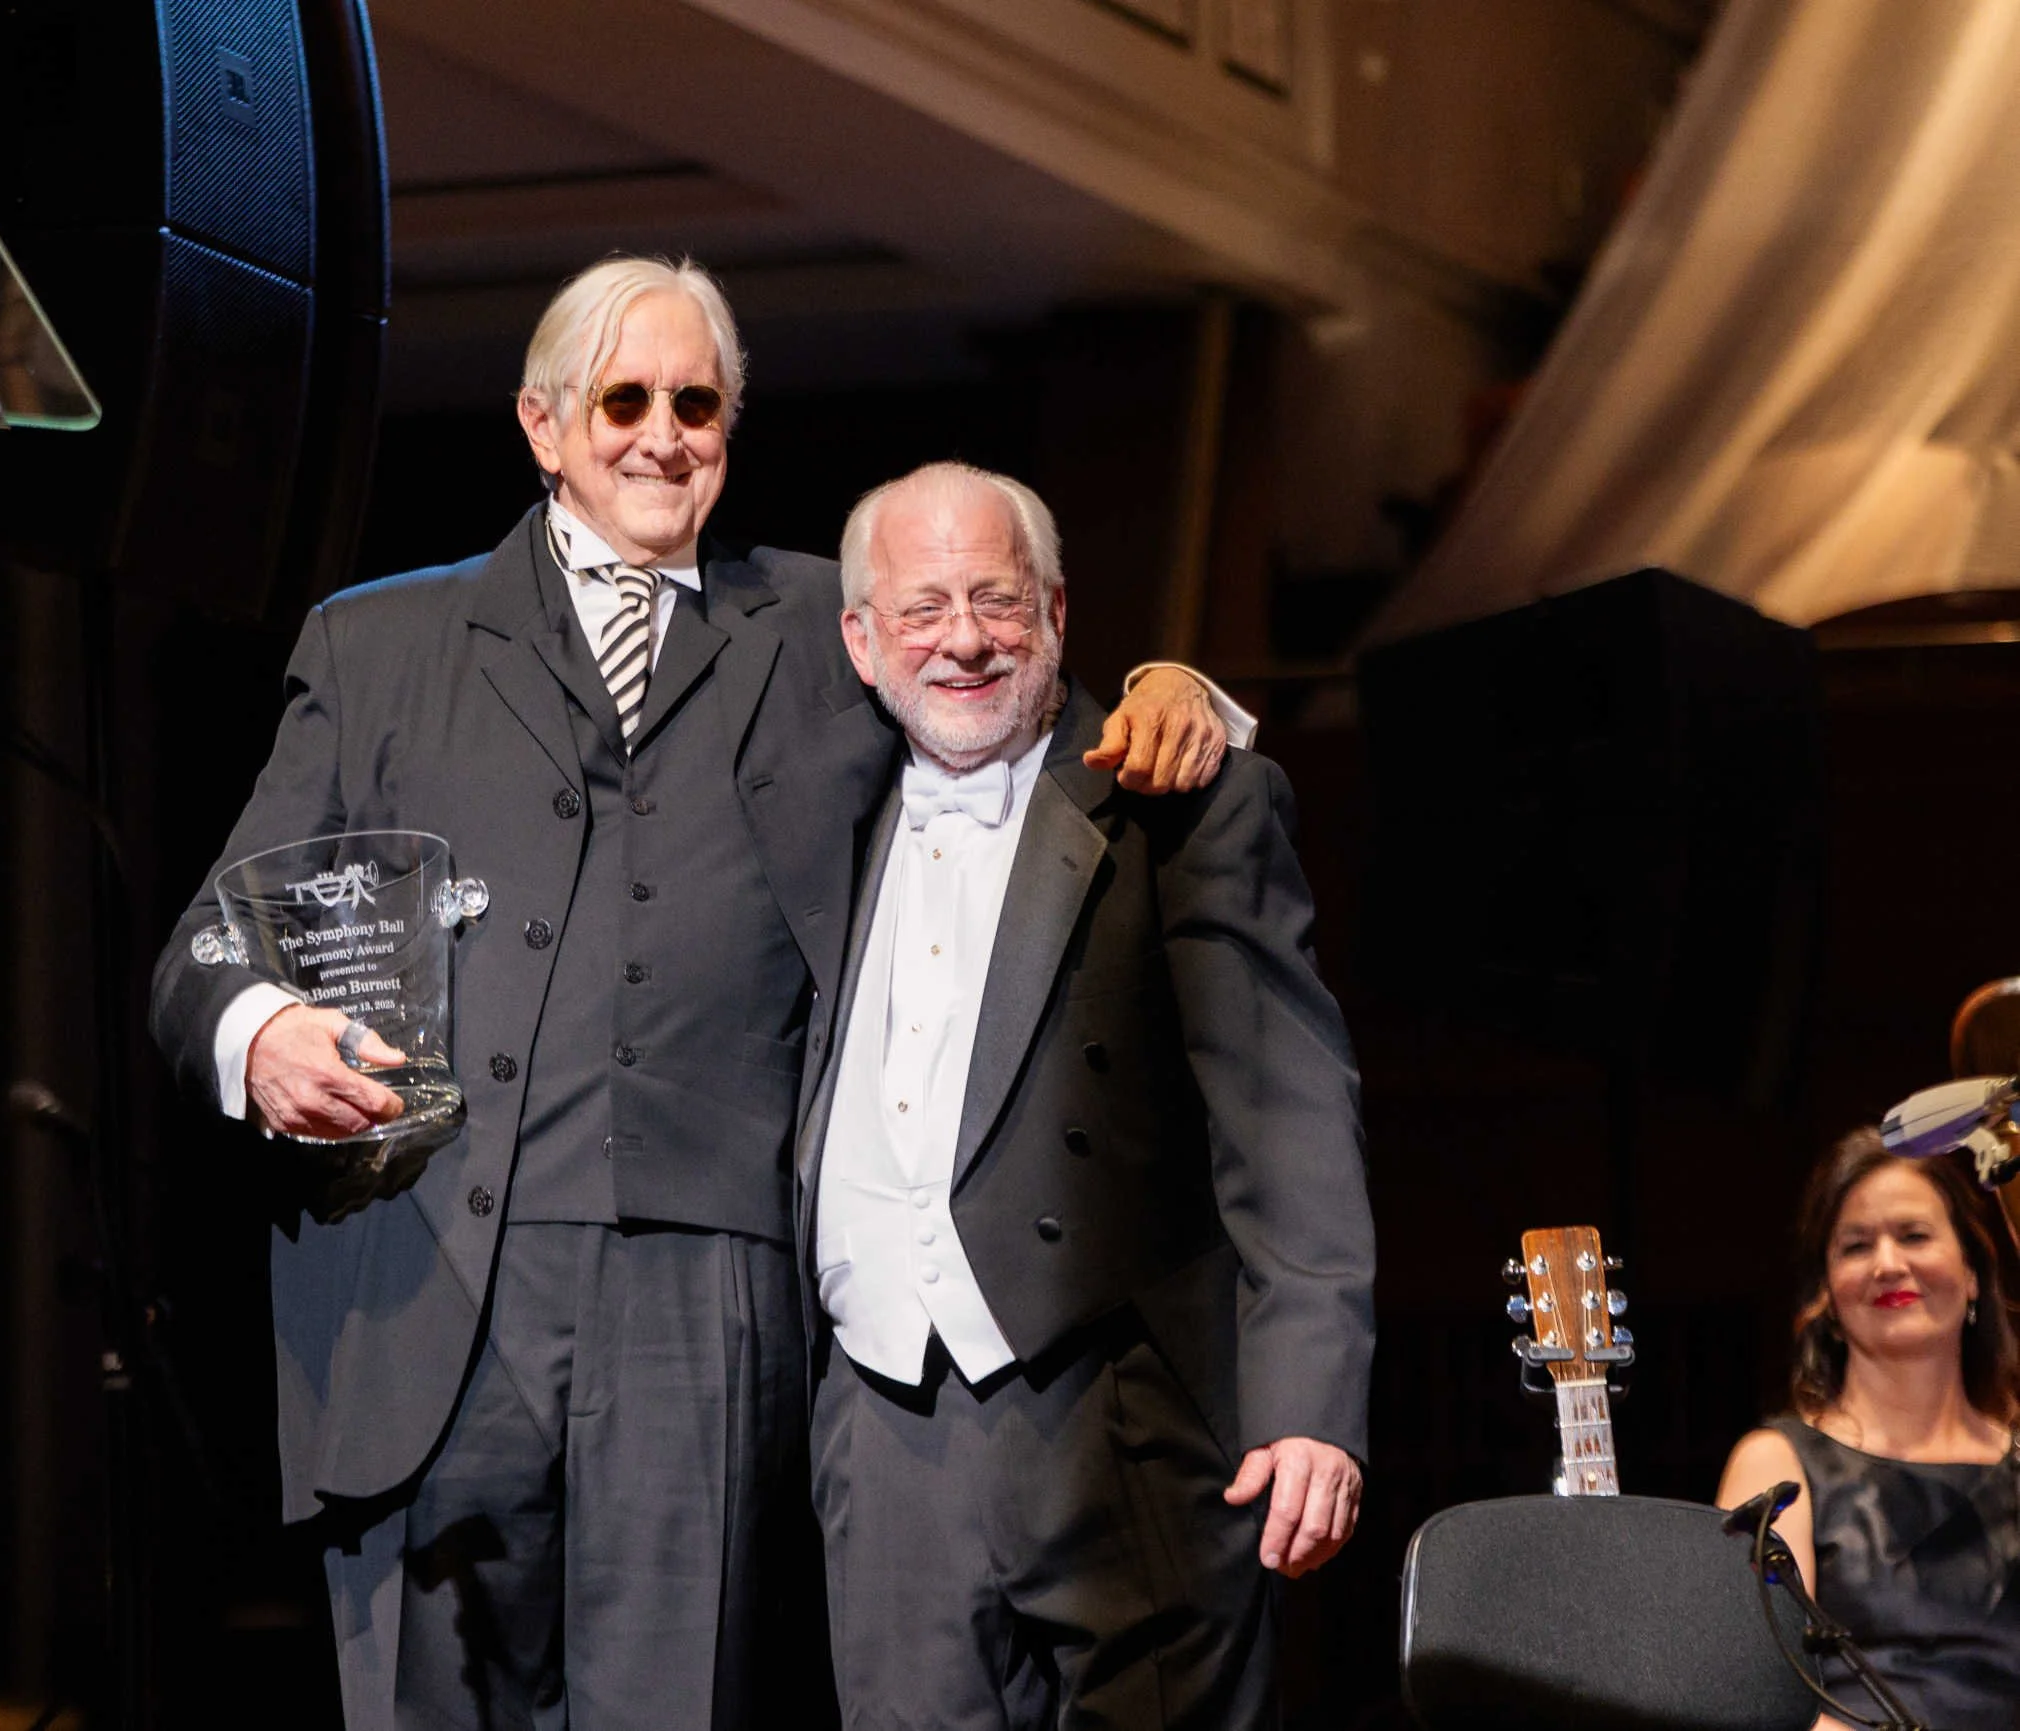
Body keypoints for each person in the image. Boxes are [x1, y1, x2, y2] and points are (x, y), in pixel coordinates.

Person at [149, 258, 1238, 1729]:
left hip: (703, 1296)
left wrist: (1183, 688)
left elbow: (997, 687)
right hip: (428, 1283)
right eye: (624, 398)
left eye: (697, 401)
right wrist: (258, 1026)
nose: (663, 433)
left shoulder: (814, 624)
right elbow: (206, 946)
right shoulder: (381, 642)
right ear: (543, 424)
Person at [796, 461, 1374, 1729]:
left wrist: (1309, 1407)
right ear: (859, 639)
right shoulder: (814, 812)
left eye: (997, 601)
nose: (962, 639)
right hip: (882, 1427)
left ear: (1058, 614)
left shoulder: (1180, 796)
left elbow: (1285, 1115)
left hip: (1126, 1423)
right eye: (923, 608)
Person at [1717, 1129, 2020, 1730]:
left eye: (1914, 1236)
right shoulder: (1776, 1465)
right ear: (1826, 1295)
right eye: (1856, 1246)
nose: (1888, 1264)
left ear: (1971, 1274)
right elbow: (1746, 1698)